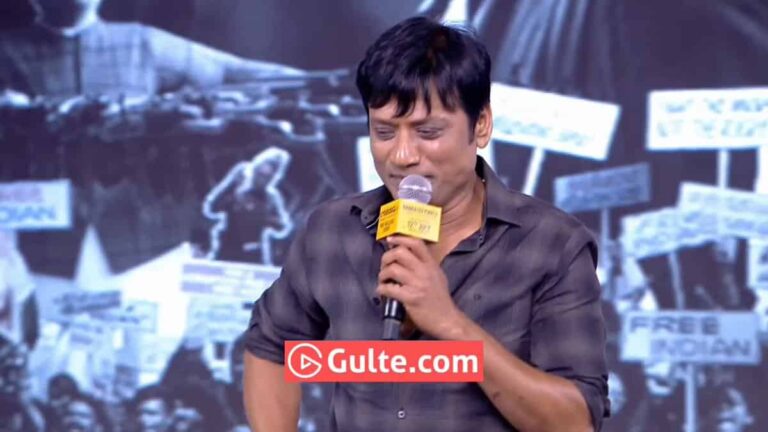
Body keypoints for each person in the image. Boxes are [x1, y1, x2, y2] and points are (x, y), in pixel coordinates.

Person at [243, 16, 609, 432]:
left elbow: (575, 422)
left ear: (481, 125)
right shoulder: (333, 231)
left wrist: (450, 323)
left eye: (428, 132)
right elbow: (270, 343)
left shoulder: (554, 244)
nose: (402, 155)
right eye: (384, 132)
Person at [0, 0, 304, 98]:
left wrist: (316, 82)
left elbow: (232, 72)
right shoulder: (6, 50)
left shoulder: (142, 43)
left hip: (124, 207)